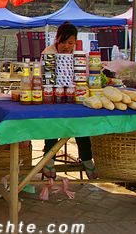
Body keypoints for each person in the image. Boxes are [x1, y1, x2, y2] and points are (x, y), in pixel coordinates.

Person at [41, 21, 98, 180]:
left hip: (75, 98)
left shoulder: (79, 55)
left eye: (70, 42)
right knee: (53, 125)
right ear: (57, 39)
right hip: (53, 97)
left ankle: (87, 158)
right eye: (64, 42)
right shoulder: (48, 53)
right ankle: (49, 158)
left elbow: (84, 77)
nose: (67, 46)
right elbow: (45, 79)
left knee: (81, 124)